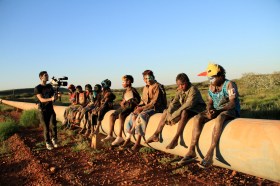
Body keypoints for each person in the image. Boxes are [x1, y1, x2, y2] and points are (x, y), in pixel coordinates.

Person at [178, 63, 240, 168]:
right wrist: (210, 109)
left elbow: (232, 103)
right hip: (215, 110)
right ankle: (191, 150)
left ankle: (210, 153)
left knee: (220, 118)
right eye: (209, 78)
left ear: (220, 76)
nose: (210, 80)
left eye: (212, 78)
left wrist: (218, 110)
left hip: (229, 110)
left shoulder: (229, 84)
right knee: (198, 117)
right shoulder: (211, 87)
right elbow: (210, 102)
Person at [146, 73, 206, 149]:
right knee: (165, 111)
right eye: (179, 85)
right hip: (185, 108)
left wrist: (172, 116)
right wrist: (169, 113)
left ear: (187, 82)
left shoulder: (193, 90)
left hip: (196, 109)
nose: (181, 87)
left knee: (184, 112)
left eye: (183, 84)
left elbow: (187, 105)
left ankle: (176, 139)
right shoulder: (180, 89)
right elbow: (174, 102)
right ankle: (156, 134)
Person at [121, 70, 166, 152]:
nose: (146, 80)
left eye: (148, 78)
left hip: (157, 108)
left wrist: (142, 109)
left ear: (152, 77)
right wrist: (139, 106)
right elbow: (143, 100)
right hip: (147, 107)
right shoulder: (145, 87)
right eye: (145, 78)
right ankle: (128, 138)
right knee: (132, 115)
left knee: (142, 116)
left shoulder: (158, 86)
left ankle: (138, 143)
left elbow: (154, 103)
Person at [101, 75, 141, 146]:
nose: (122, 83)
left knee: (121, 115)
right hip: (124, 107)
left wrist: (130, 101)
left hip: (130, 107)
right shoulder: (125, 91)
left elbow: (138, 100)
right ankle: (110, 134)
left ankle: (120, 136)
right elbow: (124, 99)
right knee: (112, 116)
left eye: (123, 82)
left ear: (128, 82)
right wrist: (122, 102)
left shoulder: (133, 90)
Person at [34, 71, 58, 150]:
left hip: (50, 109)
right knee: (46, 128)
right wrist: (51, 99)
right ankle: (48, 142)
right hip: (42, 110)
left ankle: (54, 139)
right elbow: (41, 99)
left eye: (47, 75)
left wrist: (56, 93)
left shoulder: (50, 86)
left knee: (54, 125)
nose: (47, 76)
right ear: (41, 77)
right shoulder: (37, 88)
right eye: (45, 75)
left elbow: (54, 97)